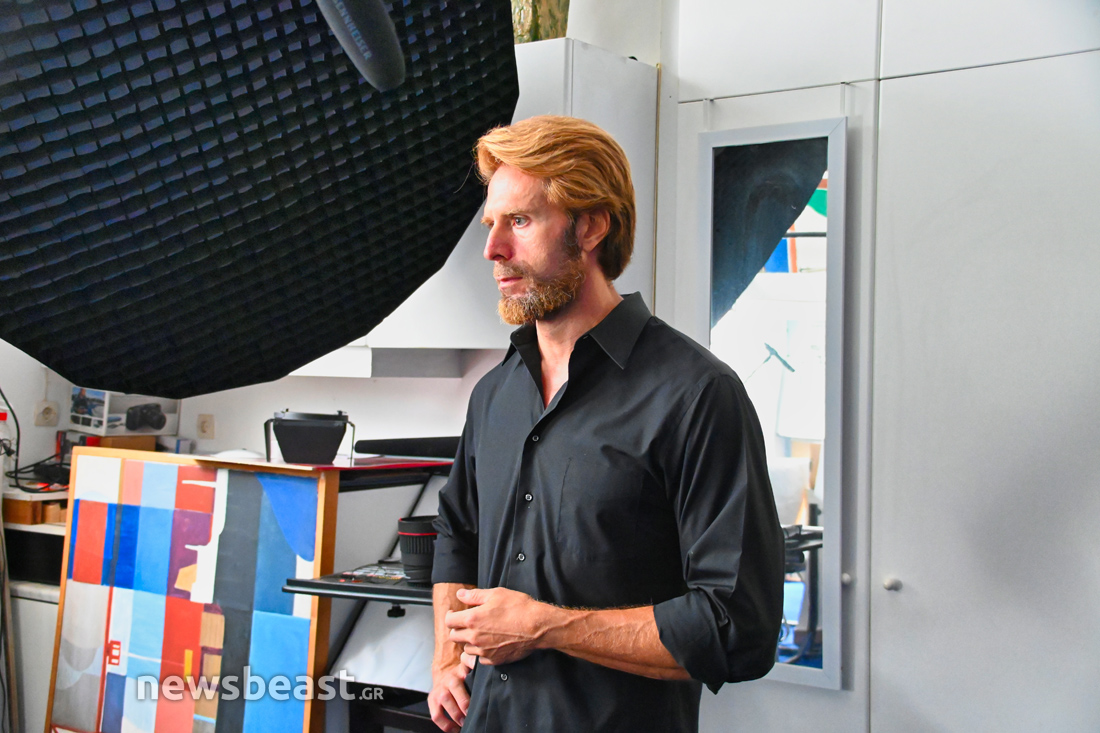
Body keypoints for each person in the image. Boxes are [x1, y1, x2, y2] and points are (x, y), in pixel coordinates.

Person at [428, 115, 784, 732]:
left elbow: (738, 627)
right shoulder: (494, 394)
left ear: (590, 226)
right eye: (491, 225)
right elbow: (457, 532)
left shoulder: (698, 395)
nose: (493, 250)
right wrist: (445, 657)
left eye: (520, 221)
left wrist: (545, 626)